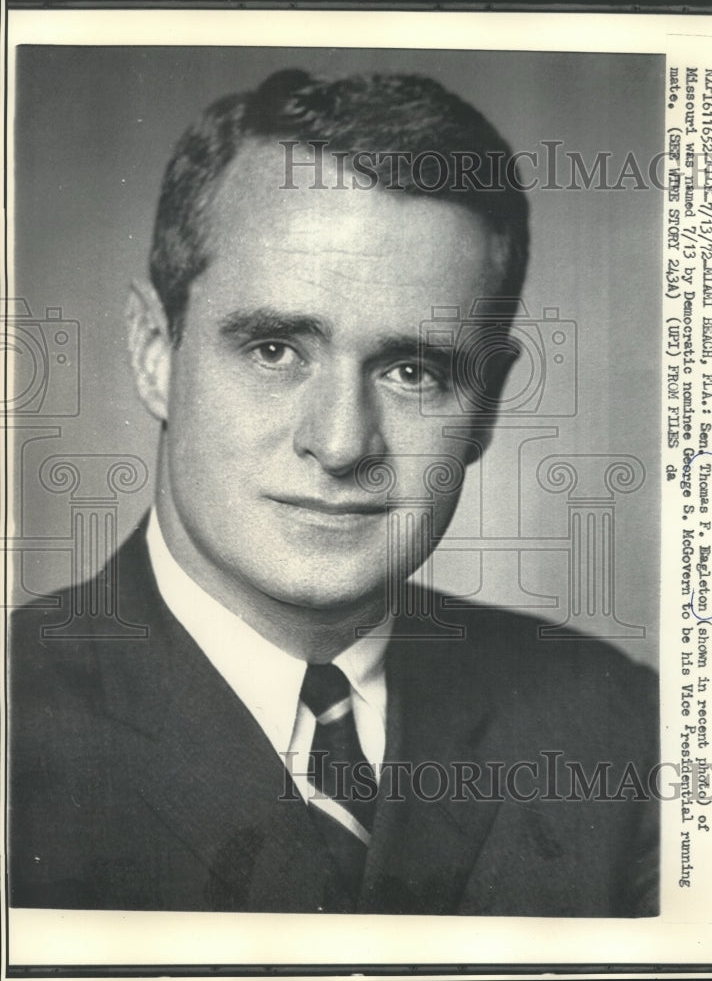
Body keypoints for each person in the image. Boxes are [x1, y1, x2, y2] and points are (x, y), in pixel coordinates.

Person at [8, 69, 658, 916]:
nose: (344, 443)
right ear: (154, 351)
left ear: (487, 405)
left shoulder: (616, 731)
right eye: (275, 350)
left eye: (412, 371)